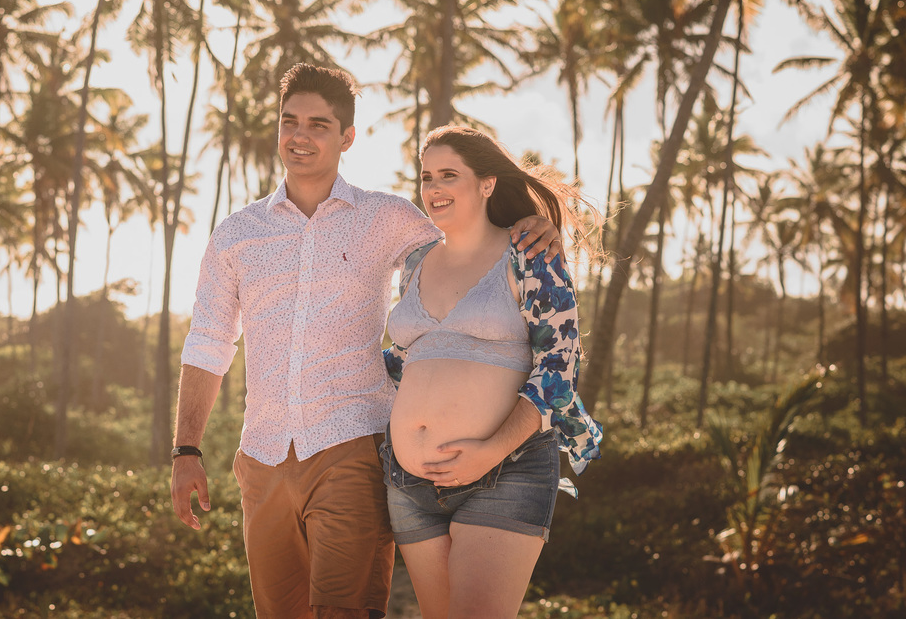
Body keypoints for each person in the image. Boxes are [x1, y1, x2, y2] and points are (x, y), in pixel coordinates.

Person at [169, 63, 562, 618]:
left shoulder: (388, 217)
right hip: (260, 455)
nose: (300, 136)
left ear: (347, 137)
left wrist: (534, 225)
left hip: (351, 445)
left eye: (319, 125)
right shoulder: (237, 234)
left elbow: (472, 243)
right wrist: (186, 449)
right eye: (289, 121)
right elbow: (209, 342)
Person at [380, 125, 603, 618]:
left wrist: (490, 451)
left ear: (486, 183)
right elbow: (406, 362)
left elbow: (558, 366)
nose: (434, 188)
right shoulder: (416, 262)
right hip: (409, 484)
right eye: (427, 177)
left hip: (506, 469)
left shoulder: (530, 253)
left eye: (449, 175)